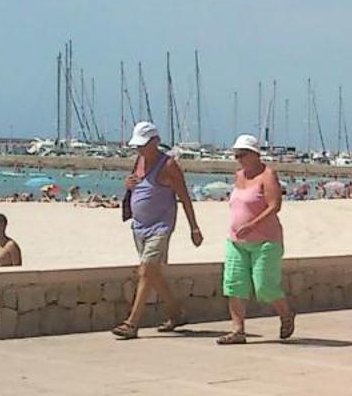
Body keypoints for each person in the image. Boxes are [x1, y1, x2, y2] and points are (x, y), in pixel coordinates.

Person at [113, 121, 203, 339]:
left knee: (145, 270)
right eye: (138, 146)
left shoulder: (168, 165)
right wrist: (128, 186)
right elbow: (136, 187)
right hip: (139, 226)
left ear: (156, 142)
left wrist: (194, 228)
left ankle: (132, 323)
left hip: (160, 226)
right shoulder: (138, 162)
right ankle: (176, 313)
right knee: (153, 274)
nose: (140, 150)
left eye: (143, 145)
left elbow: (184, 196)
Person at [219, 133, 294, 344]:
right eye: (236, 155)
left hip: (265, 241)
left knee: (265, 286)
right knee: (234, 284)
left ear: (254, 154)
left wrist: (252, 225)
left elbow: (274, 205)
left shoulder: (268, 175)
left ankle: (285, 314)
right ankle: (237, 330)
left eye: (242, 155)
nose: (239, 159)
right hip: (236, 241)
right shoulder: (238, 176)